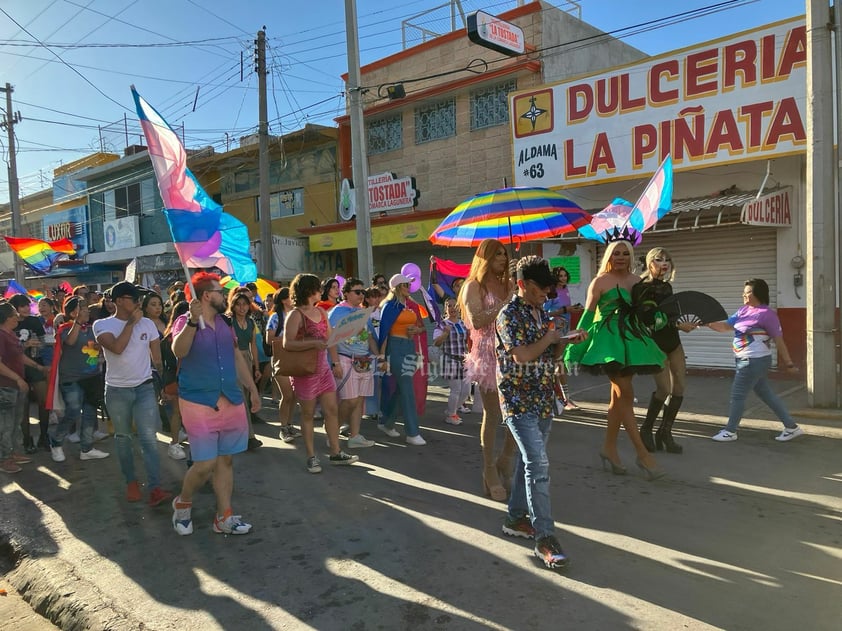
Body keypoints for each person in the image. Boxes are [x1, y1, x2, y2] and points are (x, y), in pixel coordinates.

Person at [496, 256, 586, 570]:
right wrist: (548, 338)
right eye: (539, 288)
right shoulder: (508, 315)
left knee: (528, 460)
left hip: (544, 396)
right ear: (522, 284)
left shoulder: (539, 311)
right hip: (518, 399)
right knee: (538, 464)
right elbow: (520, 355)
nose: (546, 294)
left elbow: (545, 349)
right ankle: (545, 538)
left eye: (548, 288)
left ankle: (516, 517)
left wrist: (563, 341)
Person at [564, 239, 666, 480]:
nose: (620, 257)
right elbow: (587, 317)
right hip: (607, 343)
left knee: (618, 398)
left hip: (632, 341)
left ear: (631, 257)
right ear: (608, 256)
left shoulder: (637, 281)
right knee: (626, 394)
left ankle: (608, 449)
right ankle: (642, 454)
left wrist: (661, 318)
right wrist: (575, 346)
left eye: (625, 253)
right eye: (616, 253)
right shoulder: (600, 282)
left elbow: (647, 311)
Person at [169, 272, 260, 535]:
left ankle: (224, 517)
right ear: (207, 295)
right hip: (198, 401)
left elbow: (235, 357)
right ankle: (183, 505)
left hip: (231, 398)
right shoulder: (186, 321)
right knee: (205, 464)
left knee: (225, 461)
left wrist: (252, 390)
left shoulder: (224, 323)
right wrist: (193, 323)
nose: (225, 295)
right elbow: (179, 351)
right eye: (220, 291)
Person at [93, 281, 173, 505]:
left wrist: (163, 385)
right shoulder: (102, 324)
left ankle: (155, 488)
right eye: (134, 298)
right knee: (123, 439)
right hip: (117, 391)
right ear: (119, 301)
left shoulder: (147, 324)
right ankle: (131, 482)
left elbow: (156, 358)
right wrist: (131, 324)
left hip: (145, 388)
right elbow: (117, 348)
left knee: (149, 438)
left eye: (140, 299)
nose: (139, 302)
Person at [707, 278, 803, 442]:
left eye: (748, 292)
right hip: (745, 360)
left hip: (753, 361)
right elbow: (725, 327)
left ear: (759, 293)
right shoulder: (743, 311)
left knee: (737, 395)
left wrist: (788, 363)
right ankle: (791, 427)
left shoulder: (767, 314)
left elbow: (779, 340)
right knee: (766, 394)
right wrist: (705, 322)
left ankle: (730, 431)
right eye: (744, 292)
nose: (744, 295)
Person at [458, 238, 516, 500]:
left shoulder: (509, 284)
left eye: (504, 254)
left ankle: (505, 458)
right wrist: (506, 302)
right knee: (493, 415)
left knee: (517, 414)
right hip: (487, 356)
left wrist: (517, 288)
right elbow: (477, 320)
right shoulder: (473, 286)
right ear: (485, 258)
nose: (502, 259)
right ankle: (489, 468)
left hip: (513, 354)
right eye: (497, 255)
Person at [283, 273, 359, 473]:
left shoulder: (322, 312)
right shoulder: (295, 315)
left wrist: (335, 363)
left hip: (324, 370)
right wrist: (313, 343)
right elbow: (287, 343)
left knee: (331, 410)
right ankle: (311, 456)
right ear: (309, 290)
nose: (321, 291)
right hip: (305, 372)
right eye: (318, 288)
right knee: (307, 414)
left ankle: (335, 452)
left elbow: (330, 339)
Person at [636, 248, 697, 454]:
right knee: (664, 389)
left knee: (679, 387)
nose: (664, 263)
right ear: (649, 263)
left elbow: (670, 316)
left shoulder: (667, 288)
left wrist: (682, 323)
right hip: (654, 343)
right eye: (658, 259)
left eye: (667, 260)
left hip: (673, 341)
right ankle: (646, 429)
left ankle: (665, 431)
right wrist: (679, 325)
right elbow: (649, 319)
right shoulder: (641, 288)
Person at [46, 296, 110, 463]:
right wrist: (78, 322)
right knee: (73, 410)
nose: (87, 311)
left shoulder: (92, 327)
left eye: (87, 308)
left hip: (92, 376)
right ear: (74, 312)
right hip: (71, 378)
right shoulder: (64, 329)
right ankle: (56, 441)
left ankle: (87, 448)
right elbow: (71, 341)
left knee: (89, 414)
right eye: (83, 308)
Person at [377, 274, 427, 446]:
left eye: (408, 284)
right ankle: (412, 432)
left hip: (409, 347)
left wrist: (417, 330)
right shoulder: (389, 306)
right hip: (395, 348)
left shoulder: (409, 307)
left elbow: (421, 327)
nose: (408, 287)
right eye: (405, 284)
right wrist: (382, 358)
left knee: (401, 388)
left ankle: (387, 422)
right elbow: (383, 334)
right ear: (397, 287)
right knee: (407, 388)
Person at [329, 278, 379, 449]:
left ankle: (355, 435)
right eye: (358, 292)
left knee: (359, 400)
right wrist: (335, 363)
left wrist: (378, 356)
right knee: (349, 400)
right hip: (345, 358)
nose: (361, 295)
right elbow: (331, 340)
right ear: (347, 293)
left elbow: (369, 336)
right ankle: (333, 430)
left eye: (363, 292)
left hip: (364, 359)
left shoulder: (363, 312)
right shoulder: (337, 312)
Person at [8, 294, 51, 453]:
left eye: (27, 305)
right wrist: (24, 344)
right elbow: (9, 350)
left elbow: (43, 341)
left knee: (44, 401)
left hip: (35, 363)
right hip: (15, 367)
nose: (26, 308)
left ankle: (44, 436)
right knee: (23, 405)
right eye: (22, 306)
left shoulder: (34, 321)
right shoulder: (7, 324)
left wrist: (37, 345)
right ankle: (27, 440)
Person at [0, 301, 35, 474]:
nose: (18, 316)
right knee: (5, 425)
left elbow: (19, 356)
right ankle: (4, 459)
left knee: (15, 423)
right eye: (14, 314)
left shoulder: (10, 334)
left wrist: (38, 367)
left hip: (15, 386)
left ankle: (11, 452)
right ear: (7, 317)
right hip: (5, 387)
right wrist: (17, 379)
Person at [226, 288, 263, 451]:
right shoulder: (229, 321)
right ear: (233, 306)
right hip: (233, 359)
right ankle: (249, 436)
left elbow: (253, 345)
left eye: (245, 304)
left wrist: (256, 366)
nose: (242, 308)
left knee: (246, 397)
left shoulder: (251, 322)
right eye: (238, 305)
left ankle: (238, 434)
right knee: (239, 397)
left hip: (246, 358)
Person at [543, 267, 583, 413]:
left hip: (565, 328)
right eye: (560, 276)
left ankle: (560, 397)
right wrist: (565, 310)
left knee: (558, 363)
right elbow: (545, 313)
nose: (563, 278)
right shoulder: (551, 292)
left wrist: (572, 310)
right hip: (555, 329)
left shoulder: (565, 290)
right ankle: (564, 399)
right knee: (558, 363)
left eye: (565, 275)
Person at [267, 287, 301, 443]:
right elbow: (269, 339)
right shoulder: (275, 317)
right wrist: (289, 339)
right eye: (290, 296)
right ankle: (283, 427)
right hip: (281, 358)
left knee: (294, 395)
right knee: (287, 394)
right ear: (283, 299)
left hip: (296, 358)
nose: (293, 299)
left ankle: (289, 425)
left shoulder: (297, 315)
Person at [432, 298, 470, 425]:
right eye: (449, 306)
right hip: (450, 359)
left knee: (466, 391)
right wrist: (445, 334)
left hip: (464, 360)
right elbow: (436, 343)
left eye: (455, 305)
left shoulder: (463, 323)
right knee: (456, 389)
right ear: (446, 309)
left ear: (459, 308)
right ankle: (451, 415)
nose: (452, 308)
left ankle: (451, 411)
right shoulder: (442, 324)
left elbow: (468, 341)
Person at [160, 301, 189, 460]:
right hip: (181, 379)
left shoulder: (167, 336)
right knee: (180, 413)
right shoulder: (178, 337)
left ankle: (176, 441)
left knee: (177, 413)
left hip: (171, 379)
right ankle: (175, 442)